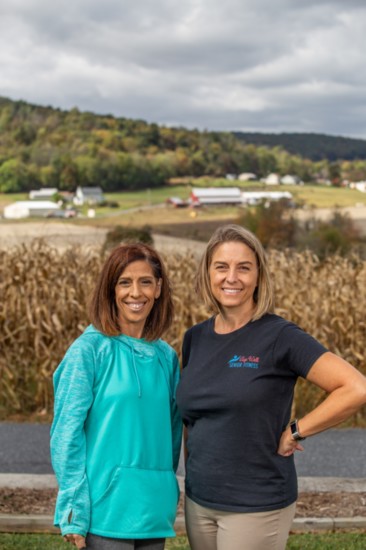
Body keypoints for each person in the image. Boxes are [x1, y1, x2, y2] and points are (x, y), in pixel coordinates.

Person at [176, 224, 366, 550]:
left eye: (244, 268)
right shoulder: (196, 338)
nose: (231, 277)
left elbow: (355, 387)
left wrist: (296, 430)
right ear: (207, 274)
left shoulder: (280, 336)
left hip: (256, 502)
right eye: (221, 267)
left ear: (259, 276)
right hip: (200, 500)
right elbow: (192, 419)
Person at [50, 243, 182, 550]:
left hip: (152, 511)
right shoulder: (89, 351)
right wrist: (73, 508)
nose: (135, 293)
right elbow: (65, 435)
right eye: (125, 282)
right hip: (104, 512)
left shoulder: (167, 357)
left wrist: (166, 489)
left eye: (145, 281)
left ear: (158, 288)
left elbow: (173, 436)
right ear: (111, 290)